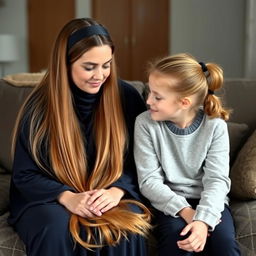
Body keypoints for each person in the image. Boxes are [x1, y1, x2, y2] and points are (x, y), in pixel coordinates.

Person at [8, 17, 151, 256]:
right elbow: (25, 174)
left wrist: (117, 191)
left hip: (111, 192)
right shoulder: (39, 106)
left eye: (106, 65)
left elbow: (143, 163)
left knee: (124, 229)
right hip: (51, 199)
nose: (100, 75)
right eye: (89, 67)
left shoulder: (127, 97)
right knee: (54, 228)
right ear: (65, 64)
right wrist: (66, 197)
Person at [134, 53, 241, 255]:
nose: (148, 101)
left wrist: (203, 219)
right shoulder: (145, 123)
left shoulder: (215, 126)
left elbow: (217, 180)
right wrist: (185, 211)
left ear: (184, 103)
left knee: (224, 243)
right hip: (167, 202)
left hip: (208, 200)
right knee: (178, 239)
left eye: (157, 97)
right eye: (150, 92)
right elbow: (149, 181)